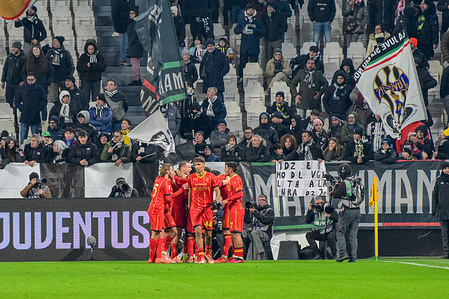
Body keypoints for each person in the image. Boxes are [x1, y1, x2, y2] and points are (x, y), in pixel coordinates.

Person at [187, 156, 222, 263]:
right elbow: (190, 192)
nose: (196, 167)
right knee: (197, 232)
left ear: (203, 165)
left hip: (207, 209)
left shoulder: (211, 177)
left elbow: (217, 190)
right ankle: (201, 256)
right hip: (195, 208)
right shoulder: (191, 177)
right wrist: (189, 206)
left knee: (208, 234)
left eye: (199, 164)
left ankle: (208, 253)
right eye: (195, 164)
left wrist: (215, 201)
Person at [214, 162, 245, 263]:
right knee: (231, 232)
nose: (224, 170)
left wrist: (228, 200)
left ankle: (239, 256)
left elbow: (240, 194)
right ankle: (234, 255)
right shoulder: (226, 177)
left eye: (226, 168)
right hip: (230, 208)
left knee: (236, 233)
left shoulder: (236, 179)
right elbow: (215, 182)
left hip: (236, 208)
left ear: (230, 169)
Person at [331, 164, 360, 262]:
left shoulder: (345, 183)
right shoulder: (357, 181)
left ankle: (343, 253)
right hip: (357, 210)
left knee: (340, 231)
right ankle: (353, 257)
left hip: (347, 209)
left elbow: (335, 195)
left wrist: (336, 186)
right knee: (353, 235)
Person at [147, 163, 175, 264]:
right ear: (167, 171)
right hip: (158, 208)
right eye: (172, 170)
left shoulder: (158, 179)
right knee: (159, 232)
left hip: (153, 207)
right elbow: (168, 198)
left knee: (156, 233)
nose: (173, 172)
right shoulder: (166, 182)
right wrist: (168, 206)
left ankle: (152, 258)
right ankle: (158, 257)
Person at [234, 4, 265, 79]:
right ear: (246, 10)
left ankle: (254, 78)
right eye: (249, 9)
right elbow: (236, 30)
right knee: (242, 64)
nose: (250, 10)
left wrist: (254, 30)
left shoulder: (257, 20)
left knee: (253, 64)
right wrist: (243, 30)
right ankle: (241, 77)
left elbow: (263, 30)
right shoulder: (242, 19)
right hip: (244, 46)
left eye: (252, 9)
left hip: (254, 46)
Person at [15, 73, 47, 144]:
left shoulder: (39, 88)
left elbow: (44, 101)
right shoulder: (23, 88)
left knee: (35, 137)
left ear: (35, 80)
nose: (30, 81)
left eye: (31, 80)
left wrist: (38, 109)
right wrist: (21, 108)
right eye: (28, 80)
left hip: (35, 116)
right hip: (24, 116)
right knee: (23, 137)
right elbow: (17, 101)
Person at [242, 194, 274, 260]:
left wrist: (255, 213)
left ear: (266, 201)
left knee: (254, 233)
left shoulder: (269, 210)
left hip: (265, 233)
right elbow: (247, 221)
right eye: (259, 200)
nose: (260, 202)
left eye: (262, 200)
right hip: (253, 232)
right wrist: (247, 211)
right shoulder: (255, 210)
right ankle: (243, 254)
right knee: (242, 233)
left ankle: (261, 252)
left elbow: (265, 220)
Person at [46, 36, 74, 103]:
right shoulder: (49, 53)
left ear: (60, 43)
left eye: (56, 41)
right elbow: (46, 65)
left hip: (63, 79)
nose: (54, 43)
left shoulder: (65, 53)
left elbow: (71, 66)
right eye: (53, 41)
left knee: (64, 96)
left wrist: (69, 77)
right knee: (53, 98)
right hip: (52, 79)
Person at [2, 41, 27, 109]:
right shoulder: (9, 58)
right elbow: (5, 69)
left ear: (19, 48)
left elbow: (26, 71)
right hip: (9, 83)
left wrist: (24, 81)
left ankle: (17, 116)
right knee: (8, 101)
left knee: (18, 102)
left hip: (18, 84)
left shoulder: (24, 58)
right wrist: (3, 81)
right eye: (13, 47)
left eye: (15, 47)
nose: (13, 49)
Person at [432, 161, 449, 259]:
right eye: (445, 168)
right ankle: (446, 253)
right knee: (444, 234)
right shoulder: (439, 180)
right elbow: (435, 195)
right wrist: (434, 208)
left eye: (448, 168)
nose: (447, 170)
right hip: (442, 211)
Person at [111, 0, 134, 66]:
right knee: (125, 42)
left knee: (126, 42)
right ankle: (123, 59)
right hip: (123, 25)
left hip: (128, 23)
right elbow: (115, 14)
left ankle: (125, 59)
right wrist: (116, 28)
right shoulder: (117, 2)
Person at [126, 6, 144, 86]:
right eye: (130, 13)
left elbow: (133, 36)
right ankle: (138, 78)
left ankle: (136, 79)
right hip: (136, 46)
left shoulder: (135, 24)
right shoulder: (135, 23)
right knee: (136, 62)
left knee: (134, 62)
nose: (131, 15)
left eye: (133, 13)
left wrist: (130, 43)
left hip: (135, 46)